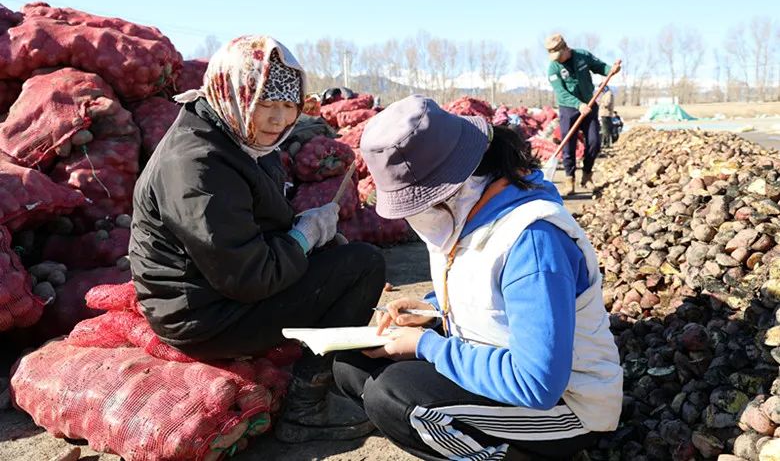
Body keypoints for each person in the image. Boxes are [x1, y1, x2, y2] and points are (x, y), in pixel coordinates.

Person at [333, 95, 623, 461]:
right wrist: (431, 312)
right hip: (492, 366)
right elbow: (487, 297)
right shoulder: (469, 212)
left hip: (568, 408)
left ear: (453, 188)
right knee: (352, 366)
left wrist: (425, 345)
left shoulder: (532, 243)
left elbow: (536, 384)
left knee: (393, 397)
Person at [128, 36, 385, 443]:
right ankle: (306, 406)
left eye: (289, 105)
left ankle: (329, 375)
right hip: (204, 317)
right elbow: (248, 277)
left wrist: (309, 235)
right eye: (265, 104)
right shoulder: (197, 163)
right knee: (362, 265)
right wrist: (302, 238)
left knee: (343, 257)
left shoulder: (238, 136)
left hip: (223, 291)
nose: (279, 119)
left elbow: (251, 227)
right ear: (231, 93)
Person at [545, 34, 620, 195]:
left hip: (590, 105)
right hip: (568, 108)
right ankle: (569, 179)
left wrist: (611, 70)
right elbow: (561, 92)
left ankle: (587, 175)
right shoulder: (553, 68)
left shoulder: (582, 56)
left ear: (565, 48)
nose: (558, 60)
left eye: (559, 56)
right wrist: (578, 104)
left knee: (594, 142)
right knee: (568, 145)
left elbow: (600, 67)